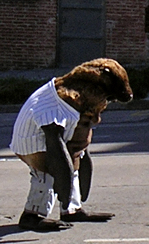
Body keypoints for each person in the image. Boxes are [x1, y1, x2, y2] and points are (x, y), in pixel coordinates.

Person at [10, 58, 132, 232]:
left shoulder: (80, 100)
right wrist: (62, 175)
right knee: (49, 171)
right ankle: (32, 215)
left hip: (60, 139)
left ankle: (72, 209)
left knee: (74, 160)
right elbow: (54, 141)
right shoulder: (57, 103)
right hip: (35, 142)